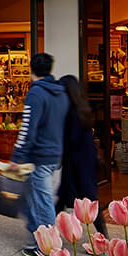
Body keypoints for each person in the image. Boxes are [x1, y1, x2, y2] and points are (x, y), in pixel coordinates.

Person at [12, 51, 68, 256]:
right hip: (54, 153)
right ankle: (37, 233)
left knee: (42, 199)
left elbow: (27, 128)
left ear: (31, 70)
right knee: (30, 195)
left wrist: (18, 156)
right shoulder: (60, 92)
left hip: (39, 155)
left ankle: (47, 246)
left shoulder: (36, 93)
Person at [56, 74, 106, 233]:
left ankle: (104, 236)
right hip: (84, 161)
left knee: (87, 198)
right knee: (75, 196)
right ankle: (47, 230)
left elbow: (70, 139)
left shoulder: (72, 113)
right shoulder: (82, 108)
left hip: (77, 163)